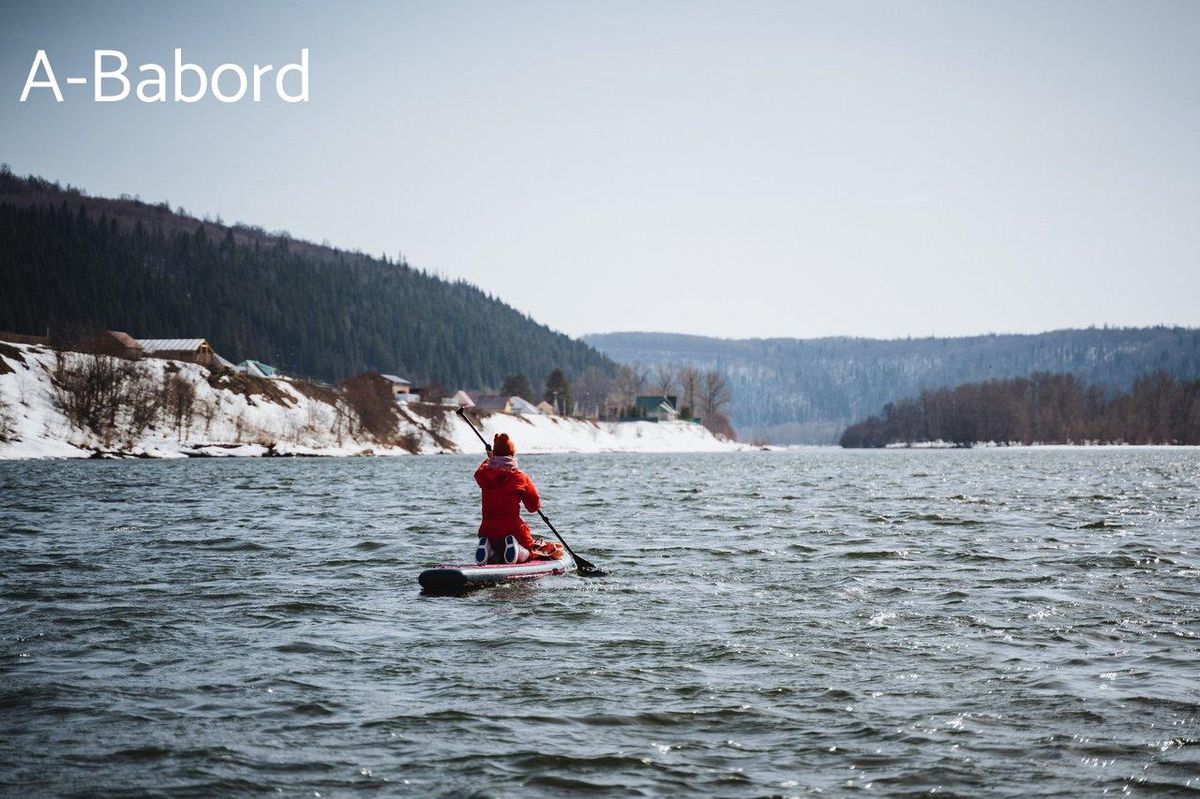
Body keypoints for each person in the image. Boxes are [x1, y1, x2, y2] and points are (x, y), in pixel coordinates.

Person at [474, 433, 540, 564]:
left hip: (488, 529)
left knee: (496, 555)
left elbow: (481, 470)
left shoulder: (483, 474)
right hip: (513, 529)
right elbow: (533, 507)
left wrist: (490, 460)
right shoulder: (520, 477)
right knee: (531, 552)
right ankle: (518, 549)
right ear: (512, 454)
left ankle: (488, 547)